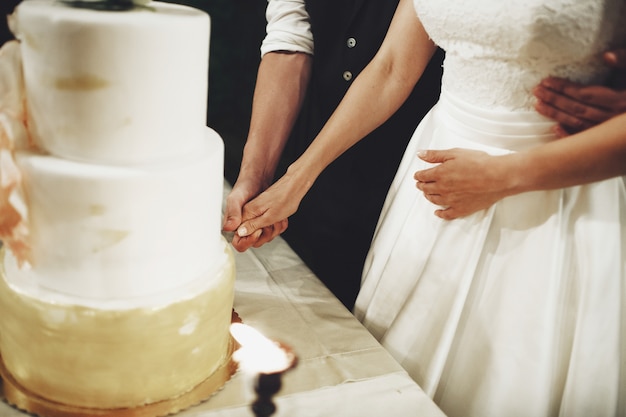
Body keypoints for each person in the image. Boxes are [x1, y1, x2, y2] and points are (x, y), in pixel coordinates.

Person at [233, 0, 626, 416]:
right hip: (430, 190)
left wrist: (503, 176)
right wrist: (298, 179)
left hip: (558, 192)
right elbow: (392, 66)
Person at [223, 0, 445, 310]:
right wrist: (256, 173)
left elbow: (394, 67)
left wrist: (295, 180)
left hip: (407, 166)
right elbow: (289, 39)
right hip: (312, 157)